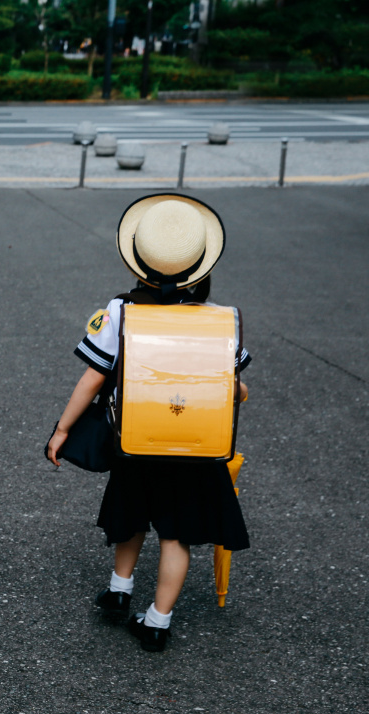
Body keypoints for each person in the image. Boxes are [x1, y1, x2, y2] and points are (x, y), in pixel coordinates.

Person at [46, 194, 251, 653]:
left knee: (130, 513)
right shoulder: (220, 322)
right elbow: (236, 389)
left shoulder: (122, 312)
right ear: (200, 266)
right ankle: (158, 621)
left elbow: (92, 378)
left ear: (138, 263)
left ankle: (120, 588)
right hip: (195, 446)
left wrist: (62, 430)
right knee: (177, 533)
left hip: (136, 439)